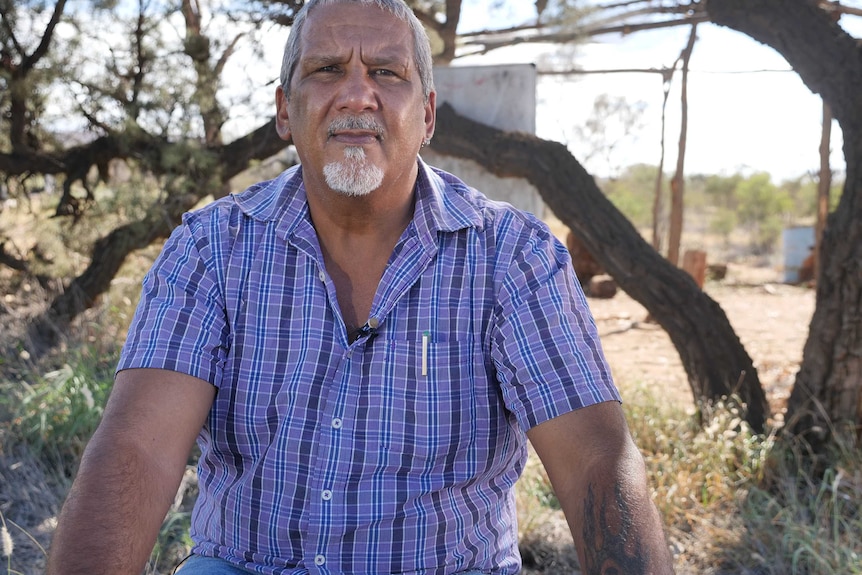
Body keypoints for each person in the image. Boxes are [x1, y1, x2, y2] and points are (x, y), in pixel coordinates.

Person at [46, 0, 675, 573]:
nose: (356, 95)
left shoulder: (514, 257)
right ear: (282, 112)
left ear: (427, 114)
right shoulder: (210, 249)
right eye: (325, 70)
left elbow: (597, 463)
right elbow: (136, 450)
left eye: (387, 73)